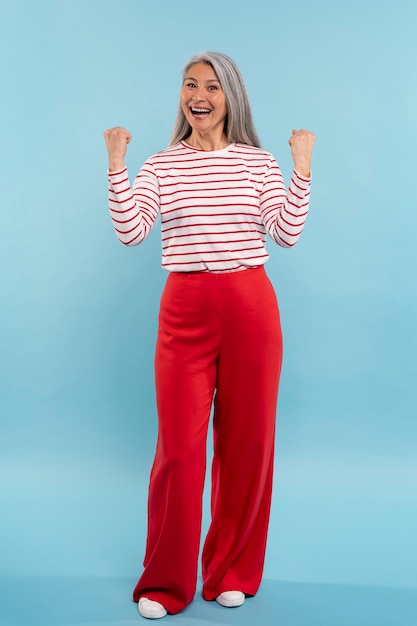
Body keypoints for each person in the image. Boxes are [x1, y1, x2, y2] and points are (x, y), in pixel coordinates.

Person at [104, 51, 315, 620]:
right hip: (186, 308)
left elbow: (287, 233)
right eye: (190, 85)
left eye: (212, 87)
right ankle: (166, 584)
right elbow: (131, 232)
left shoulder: (258, 162)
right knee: (179, 449)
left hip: (250, 306)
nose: (199, 95)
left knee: (247, 445)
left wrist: (302, 166)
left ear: (232, 97)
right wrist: (117, 163)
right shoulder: (161, 164)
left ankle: (231, 572)